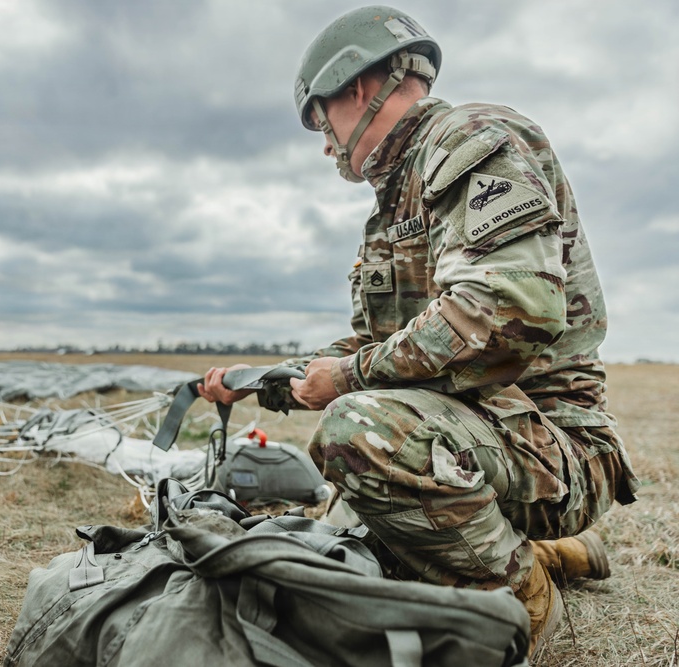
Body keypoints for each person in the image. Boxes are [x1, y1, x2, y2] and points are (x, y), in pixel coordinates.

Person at [198, 5, 639, 657]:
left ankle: (519, 588)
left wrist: (346, 381)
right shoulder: (391, 209)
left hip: (557, 447)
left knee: (357, 433)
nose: (323, 143)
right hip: (483, 442)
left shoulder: (470, 139)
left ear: (355, 87)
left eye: (321, 119)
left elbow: (506, 314)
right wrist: (256, 382)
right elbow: (369, 347)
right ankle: (546, 549)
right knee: (352, 530)